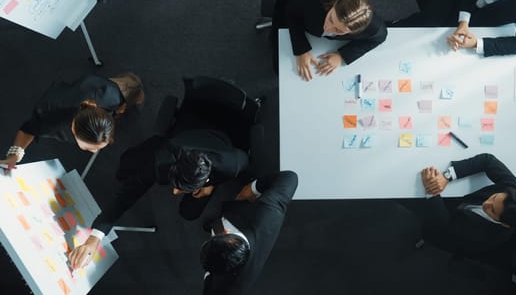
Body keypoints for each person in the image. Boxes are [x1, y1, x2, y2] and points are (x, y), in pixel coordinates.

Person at [67, 127, 250, 270]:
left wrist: (210, 186)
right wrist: (94, 238)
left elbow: (244, 160)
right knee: (127, 168)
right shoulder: (162, 160)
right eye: (175, 186)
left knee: (189, 212)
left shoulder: (231, 164)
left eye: (181, 189)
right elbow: (125, 197)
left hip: (218, 142)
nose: (174, 193)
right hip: (184, 137)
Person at [0, 73, 144, 167]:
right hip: (70, 96)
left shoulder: (112, 97)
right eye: (91, 148)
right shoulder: (54, 119)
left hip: (96, 86)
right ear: (73, 130)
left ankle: (134, 85)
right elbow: (28, 129)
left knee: (132, 88)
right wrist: (15, 155)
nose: (94, 152)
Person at [416, 153, 516, 257]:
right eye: (494, 197)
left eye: (492, 210)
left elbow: (443, 227)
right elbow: (487, 160)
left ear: (504, 224)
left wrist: (432, 191)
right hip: (459, 201)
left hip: (445, 226)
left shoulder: (482, 239)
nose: (486, 203)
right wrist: (446, 176)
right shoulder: (515, 191)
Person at [200, 170, 298, 295]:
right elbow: (290, 177)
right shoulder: (267, 213)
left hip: (228, 220)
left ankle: (215, 224)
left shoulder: (219, 287)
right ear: (226, 232)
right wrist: (253, 188)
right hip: (245, 213)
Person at [285, 0, 387, 81]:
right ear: (335, 4)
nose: (327, 28)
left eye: (339, 30)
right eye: (331, 19)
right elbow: (291, 12)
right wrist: (301, 49)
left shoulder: (373, 27)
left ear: (355, 32)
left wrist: (341, 55)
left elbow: (380, 36)